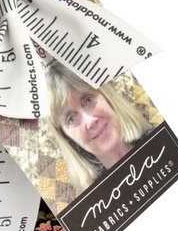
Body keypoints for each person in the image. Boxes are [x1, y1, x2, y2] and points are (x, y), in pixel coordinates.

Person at [45, 61, 153, 193]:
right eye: (71, 118)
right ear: (66, 138)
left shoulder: (165, 139)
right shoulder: (94, 200)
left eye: (88, 100)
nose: (90, 121)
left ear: (107, 97)